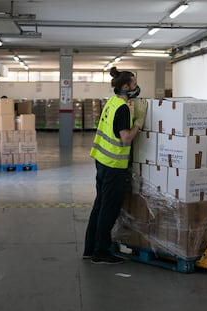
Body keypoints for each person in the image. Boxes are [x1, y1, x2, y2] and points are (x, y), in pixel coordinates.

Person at [84, 67, 147, 264]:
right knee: (109, 209)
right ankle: (101, 252)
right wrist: (139, 122)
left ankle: (90, 247)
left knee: (100, 205)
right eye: (134, 84)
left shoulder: (111, 103)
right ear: (126, 86)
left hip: (101, 161)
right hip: (113, 166)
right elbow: (126, 139)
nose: (137, 88)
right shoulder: (122, 109)